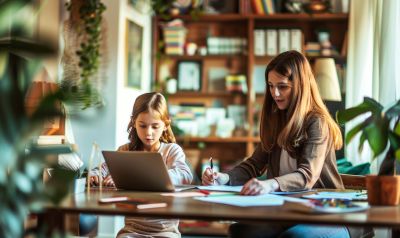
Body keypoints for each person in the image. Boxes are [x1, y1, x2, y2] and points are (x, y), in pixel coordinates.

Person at [202, 51, 367, 238]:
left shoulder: (317, 122)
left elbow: (307, 175)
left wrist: (270, 184)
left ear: (300, 86)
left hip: (327, 214)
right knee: (241, 231)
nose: (275, 93)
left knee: (295, 237)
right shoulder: (277, 119)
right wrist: (223, 178)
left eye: (282, 86)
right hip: (288, 210)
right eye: (271, 86)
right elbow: (254, 164)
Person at [91, 92, 193, 238]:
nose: (148, 133)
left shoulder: (171, 150)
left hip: (165, 232)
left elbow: (185, 176)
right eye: (143, 126)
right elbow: (102, 169)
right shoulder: (125, 151)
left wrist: (137, 176)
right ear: (134, 123)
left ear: (165, 124)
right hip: (132, 230)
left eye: (155, 126)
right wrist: (96, 175)